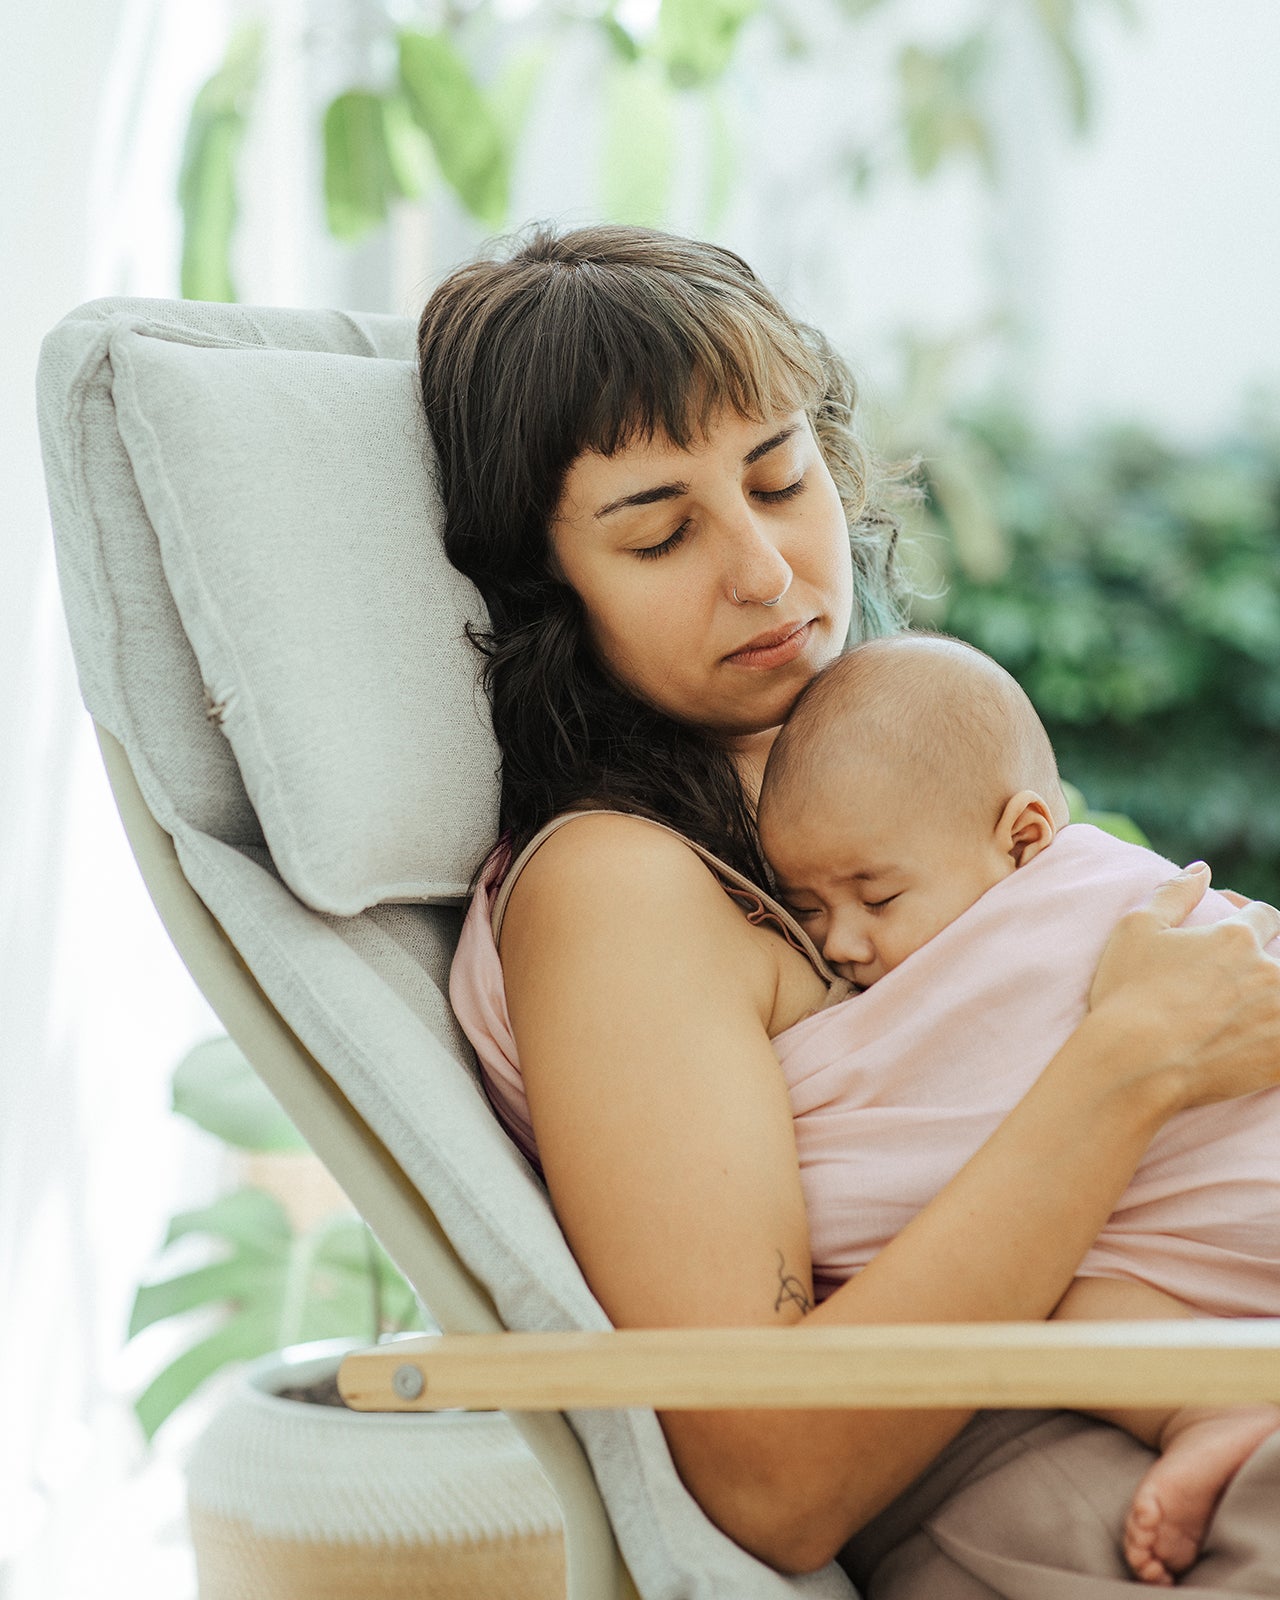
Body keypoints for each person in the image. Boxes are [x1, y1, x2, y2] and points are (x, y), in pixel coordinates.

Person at [424, 223, 1280, 1593]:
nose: (764, 570)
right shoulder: (616, 888)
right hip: (1069, 1489)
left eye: (781, 477)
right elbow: (773, 1470)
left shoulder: (887, 766)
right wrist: (1134, 1062)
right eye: (657, 534)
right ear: (547, 589)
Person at [754, 631, 1280, 1586]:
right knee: (1051, 1294)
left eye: (876, 894)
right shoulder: (935, 926)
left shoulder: (1073, 912)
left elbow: (869, 1172)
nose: (846, 944)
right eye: (812, 909)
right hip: (1209, 1286)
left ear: (1024, 839)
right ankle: (1218, 1407)